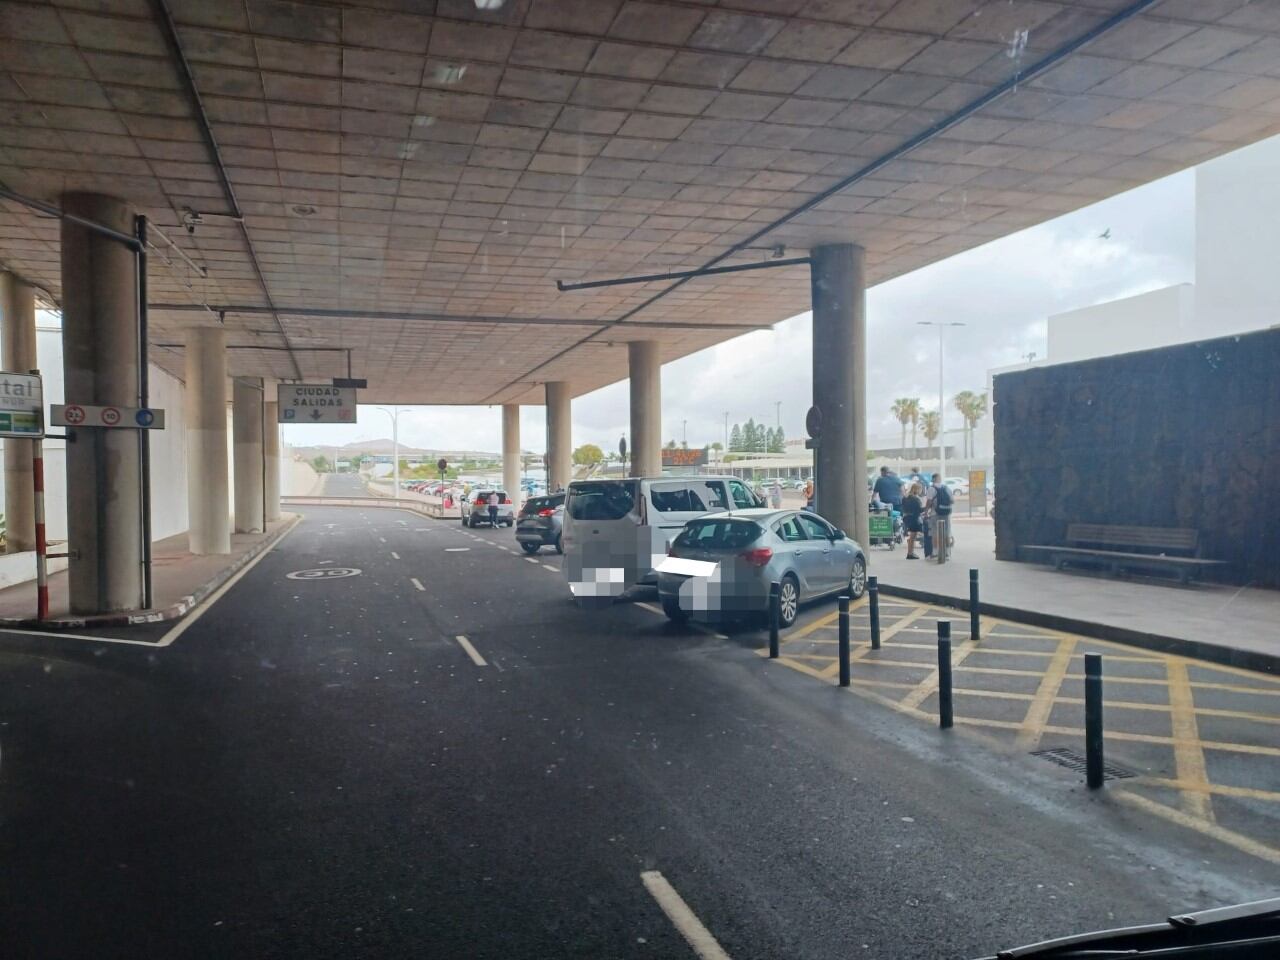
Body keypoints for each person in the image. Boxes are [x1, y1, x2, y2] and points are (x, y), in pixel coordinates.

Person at [931, 474, 954, 554]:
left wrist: (926, 511)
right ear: (940, 479)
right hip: (946, 512)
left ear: (933, 479)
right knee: (947, 532)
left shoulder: (931, 488)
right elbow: (952, 501)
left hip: (935, 513)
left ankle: (935, 552)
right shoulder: (946, 488)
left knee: (935, 532)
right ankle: (947, 551)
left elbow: (929, 501)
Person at [901, 482, 925, 559]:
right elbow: (919, 510)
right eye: (920, 489)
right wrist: (927, 507)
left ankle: (910, 552)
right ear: (917, 489)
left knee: (912, 536)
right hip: (914, 519)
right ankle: (910, 553)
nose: (921, 491)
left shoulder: (906, 497)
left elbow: (904, 508)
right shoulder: (916, 499)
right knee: (913, 536)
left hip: (907, 518)